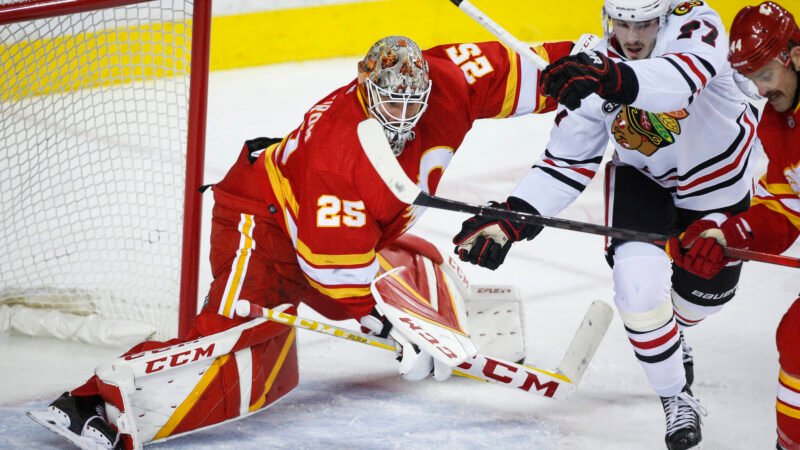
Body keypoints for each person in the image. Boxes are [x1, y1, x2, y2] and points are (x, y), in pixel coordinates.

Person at [30, 35, 578, 449]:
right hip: (263, 224)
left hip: (350, 232)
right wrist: (385, 323)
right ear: (366, 87)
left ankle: (450, 313)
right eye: (392, 102)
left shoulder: (448, 78)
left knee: (411, 269)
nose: (406, 115)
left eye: (415, 101)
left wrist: (600, 71)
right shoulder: (336, 154)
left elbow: (535, 69)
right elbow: (333, 274)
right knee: (248, 342)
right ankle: (93, 403)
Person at [451, 1, 760, 449]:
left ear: (665, 18)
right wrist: (514, 218)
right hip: (642, 180)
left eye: (645, 24)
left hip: (717, 187)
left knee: (699, 303)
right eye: (623, 24)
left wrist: (608, 76)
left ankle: (674, 330)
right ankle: (677, 397)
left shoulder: (697, 24)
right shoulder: (595, 62)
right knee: (638, 293)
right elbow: (566, 162)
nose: (632, 37)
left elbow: (678, 83)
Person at [669, 2, 800, 448]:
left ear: (793, 56)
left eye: (765, 75)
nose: (761, 90)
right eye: (751, 79)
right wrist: (728, 235)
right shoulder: (778, 126)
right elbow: (785, 210)